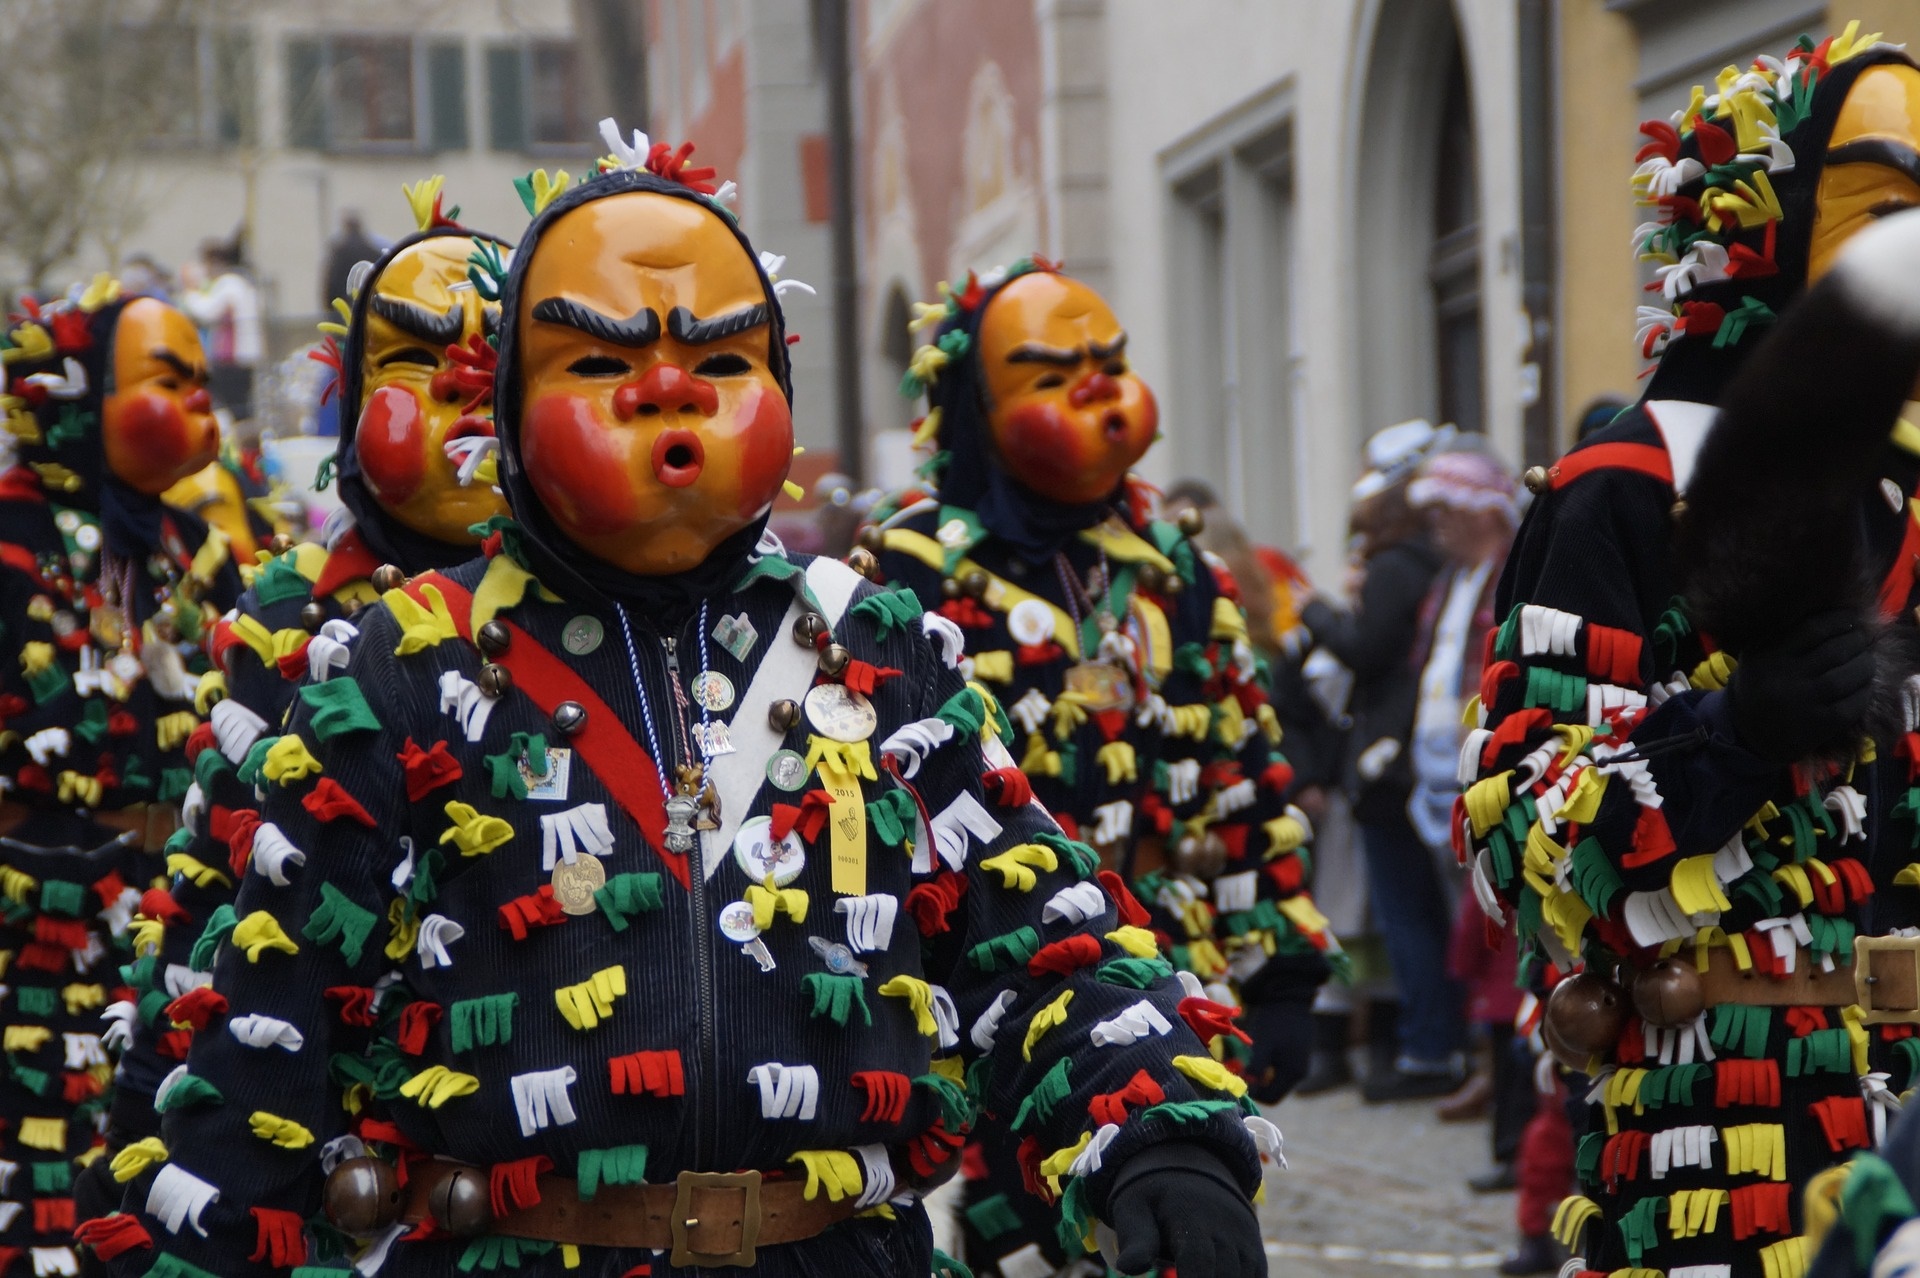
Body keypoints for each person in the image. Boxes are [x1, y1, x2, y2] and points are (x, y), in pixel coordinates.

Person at [94, 131, 1276, 1278]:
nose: (671, 396)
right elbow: (267, 1037)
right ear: (504, 407)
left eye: (720, 362)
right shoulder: (397, 666)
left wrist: (1161, 1136)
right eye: (601, 364)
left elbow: (1042, 938)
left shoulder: (878, 641)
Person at [1469, 26, 1920, 1276]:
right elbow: (1520, 855)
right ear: (1767, 233)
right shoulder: (1626, 489)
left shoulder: (1906, 500)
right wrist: (1732, 737)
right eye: (1889, 210)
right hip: (1714, 1143)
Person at [77, 181, 515, 1271]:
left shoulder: (614, 625)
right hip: (335, 1180)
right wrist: (145, 1146)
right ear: (352, 400)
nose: (465, 388)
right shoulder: (286, 614)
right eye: (420, 360)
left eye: (499, 358)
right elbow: (211, 922)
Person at [867, 262, 1322, 1277]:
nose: (1094, 388)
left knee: (1179, 1223)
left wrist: (1281, 969)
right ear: (978, 409)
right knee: (1026, 1234)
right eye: (1051, 371)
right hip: (1001, 977)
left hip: (1171, 964)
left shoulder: (1175, 565)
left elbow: (1240, 763)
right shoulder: (908, 572)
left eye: (1107, 363)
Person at [0, 281, 241, 1272]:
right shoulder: (10, 539)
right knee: (38, 1155)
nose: (199, 402)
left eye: (203, 382)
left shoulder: (200, 548)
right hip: (37, 909)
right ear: (81, 396)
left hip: (175, 906)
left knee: (165, 1151)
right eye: (168, 380)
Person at [1299, 418, 1460, 1100]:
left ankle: (1428, 1048)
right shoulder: (1432, 564)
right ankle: (1433, 1042)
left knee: (1405, 912)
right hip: (1408, 752)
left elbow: (1367, 649)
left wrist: (1316, 615)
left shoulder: (1397, 567)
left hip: (1387, 759)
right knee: (1417, 909)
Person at [179, 235, 264, 423]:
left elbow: (208, 311)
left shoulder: (228, 284)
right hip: (244, 357)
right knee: (241, 404)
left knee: (233, 405)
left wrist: (190, 293)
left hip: (231, 358)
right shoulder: (243, 283)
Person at [321, 212, 383, 314]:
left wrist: (330, 308)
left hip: (344, 307)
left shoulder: (339, 252)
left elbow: (331, 283)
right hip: (370, 306)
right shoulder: (373, 250)